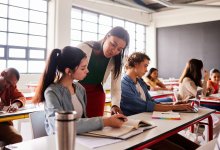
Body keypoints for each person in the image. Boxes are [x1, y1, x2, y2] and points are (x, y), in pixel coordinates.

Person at [32, 46, 127, 135]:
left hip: (81, 139)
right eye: (83, 68)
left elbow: (82, 119)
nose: (87, 71)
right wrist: (106, 121)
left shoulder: (80, 89)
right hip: (60, 142)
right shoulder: (51, 92)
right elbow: (60, 125)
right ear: (68, 71)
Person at [120, 52, 198, 150]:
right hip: (136, 130)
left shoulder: (140, 81)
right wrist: (175, 107)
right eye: (145, 66)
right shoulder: (123, 84)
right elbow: (144, 106)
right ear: (136, 64)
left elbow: (151, 102)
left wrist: (172, 104)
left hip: (149, 123)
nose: (146, 70)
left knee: (192, 146)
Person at [77, 26, 129, 117]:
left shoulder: (116, 60)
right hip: (76, 92)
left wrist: (115, 105)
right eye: (113, 44)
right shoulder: (84, 48)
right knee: (76, 125)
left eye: (119, 49)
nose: (114, 50)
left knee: (96, 126)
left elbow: (116, 86)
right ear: (106, 37)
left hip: (96, 94)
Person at [0, 68, 25, 145]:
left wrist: (16, 104)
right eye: (7, 82)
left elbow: (21, 97)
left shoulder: (10, 86)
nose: (8, 86)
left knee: (17, 138)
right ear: (3, 74)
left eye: (11, 85)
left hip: (2, 123)